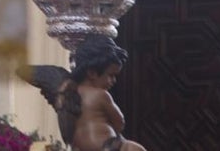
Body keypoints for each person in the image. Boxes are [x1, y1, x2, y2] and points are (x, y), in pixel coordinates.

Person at [18, 35, 149, 151]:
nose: (113, 81)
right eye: (111, 75)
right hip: (106, 146)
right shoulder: (101, 95)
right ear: (91, 73)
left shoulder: (66, 91)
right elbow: (120, 122)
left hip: (79, 147)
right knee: (134, 148)